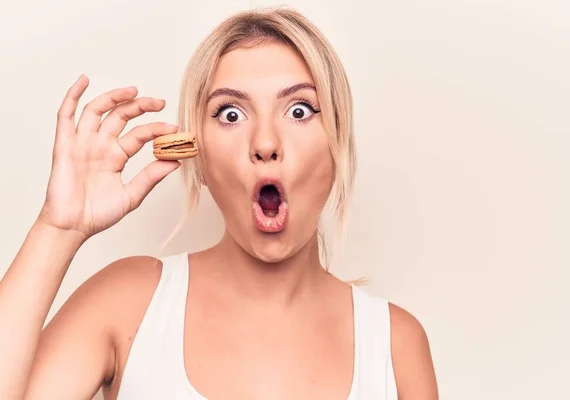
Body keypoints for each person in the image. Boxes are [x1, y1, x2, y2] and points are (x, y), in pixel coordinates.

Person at [0, 7, 438, 400]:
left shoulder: (395, 346)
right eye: (231, 113)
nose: (265, 143)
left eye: (300, 110)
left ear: (336, 147)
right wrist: (57, 230)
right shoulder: (127, 300)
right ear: (199, 156)